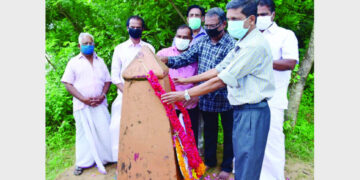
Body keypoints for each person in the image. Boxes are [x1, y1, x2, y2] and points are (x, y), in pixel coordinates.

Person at [161, 0, 275, 179]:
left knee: (248, 161)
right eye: (229, 19)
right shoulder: (243, 42)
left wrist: (184, 94)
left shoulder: (253, 46)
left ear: (251, 19)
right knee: (243, 159)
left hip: (251, 111)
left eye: (235, 19)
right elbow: (218, 69)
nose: (231, 24)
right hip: (242, 109)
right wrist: (186, 79)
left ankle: (228, 168)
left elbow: (221, 80)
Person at [158, 7, 235, 180]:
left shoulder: (231, 45)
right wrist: (168, 60)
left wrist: (186, 83)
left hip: (226, 97)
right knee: (209, 130)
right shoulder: (202, 41)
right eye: (206, 25)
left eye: (213, 25)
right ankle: (209, 160)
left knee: (229, 132)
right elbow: (186, 58)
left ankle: (226, 166)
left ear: (223, 24)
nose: (208, 29)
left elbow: (220, 74)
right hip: (206, 97)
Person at [256, 0, 299, 179]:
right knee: (252, 137)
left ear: (273, 15)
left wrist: (264, 62)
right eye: (257, 15)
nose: (260, 18)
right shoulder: (250, 35)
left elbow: (290, 62)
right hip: (250, 96)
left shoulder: (285, 35)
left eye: (264, 14)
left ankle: (273, 176)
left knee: (272, 139)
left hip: (273, 97)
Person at [61, 32, 113, 176]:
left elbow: (108, 81)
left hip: (99, 104)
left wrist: (102, 95)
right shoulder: (73, 62)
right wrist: (83, 99)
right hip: (82, 105)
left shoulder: (100, 61)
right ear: (79, 46)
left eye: (91, 43)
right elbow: (68, 83)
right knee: (83, 134)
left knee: (104, 130)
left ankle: (107, 158)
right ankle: (83, 163)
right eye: (85, 43)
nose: (89, 46)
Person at [110, 15, 155, 162]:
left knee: (143, 128)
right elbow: (115, 76)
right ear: (127, 28)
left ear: (142, 29)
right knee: (120, 129)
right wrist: (128, 93)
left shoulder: (149, 48)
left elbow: (153, 74)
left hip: (145, 97)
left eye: (138, 27)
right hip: (124, 96)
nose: (135, 29)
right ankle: (121, 161)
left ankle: (142, 158)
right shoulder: (120, 49)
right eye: (132, 27)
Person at [157, 24, 200, 145]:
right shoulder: (164, 54)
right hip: (169, 104)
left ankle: (192, 162)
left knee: (191, 137)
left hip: (189, 103)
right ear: (175, 37)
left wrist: (196, 96)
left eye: (185, 37)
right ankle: (174, 163)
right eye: (179, 36)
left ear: (191, 39)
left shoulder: (196, 56)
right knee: (170, 137)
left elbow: (201, 78)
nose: (181, 39)